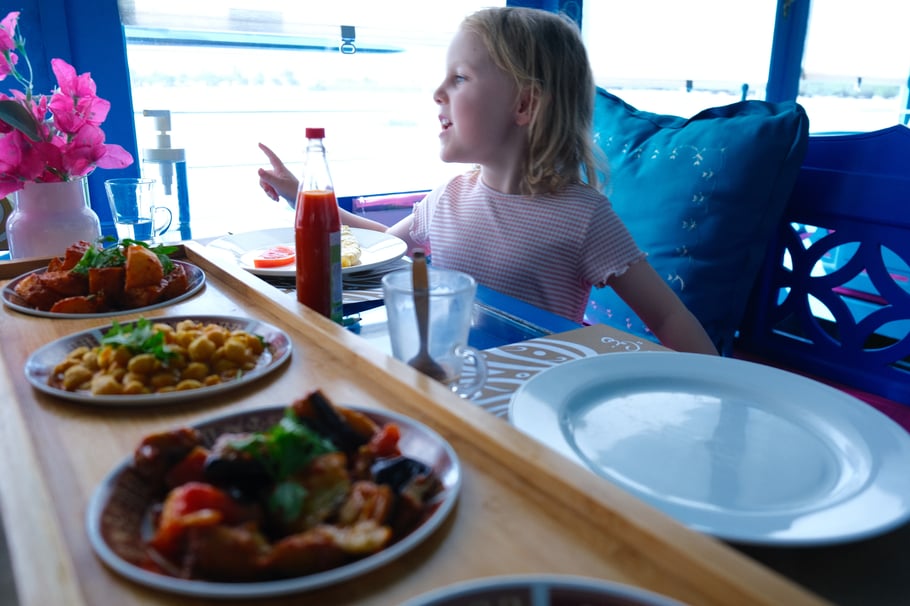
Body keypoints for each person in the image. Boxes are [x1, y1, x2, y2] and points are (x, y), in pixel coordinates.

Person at [258, 7, 718, 355]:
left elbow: (666, 313)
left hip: (534, 399)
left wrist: (716, 390)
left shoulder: (584, 217)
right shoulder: (448, 199)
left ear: (524, 106)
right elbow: (382, 249)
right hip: (451, 378)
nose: (437, 92)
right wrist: (302, 196)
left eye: (459, 78)